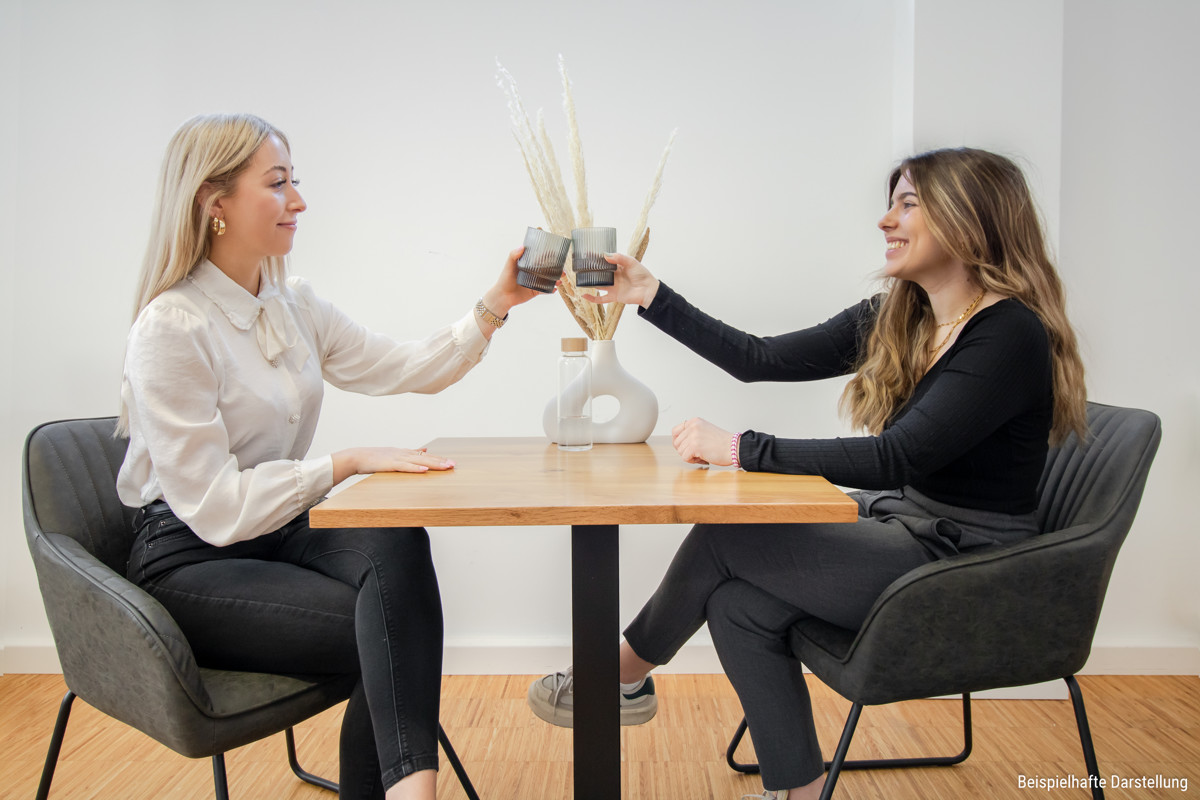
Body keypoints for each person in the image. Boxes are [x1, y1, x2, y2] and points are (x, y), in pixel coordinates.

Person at [526, 147, 1087, 800]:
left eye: (908, 204)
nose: (885, 220)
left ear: (970, 217)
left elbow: (897, 457)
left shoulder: (1009, 334)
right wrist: (650, 295)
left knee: (728, 535)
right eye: (891, 204)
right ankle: (800, 788)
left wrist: (742, 449)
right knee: (737, 605)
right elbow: (758, 358)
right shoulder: (903, 315)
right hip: (907, 530)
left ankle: (615, 676)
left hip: (968, 563)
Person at [117, 113, 543, 800]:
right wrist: (343, 463)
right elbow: (217, 508)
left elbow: (405, 367)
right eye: (278, 183)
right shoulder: (171, 327)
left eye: (295, 181)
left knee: (395, 544)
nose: (299, 201)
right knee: (390, 629)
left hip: (276, 532)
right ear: (214, 202)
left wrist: (497, 303)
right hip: (192, 556)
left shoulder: (293, 305)